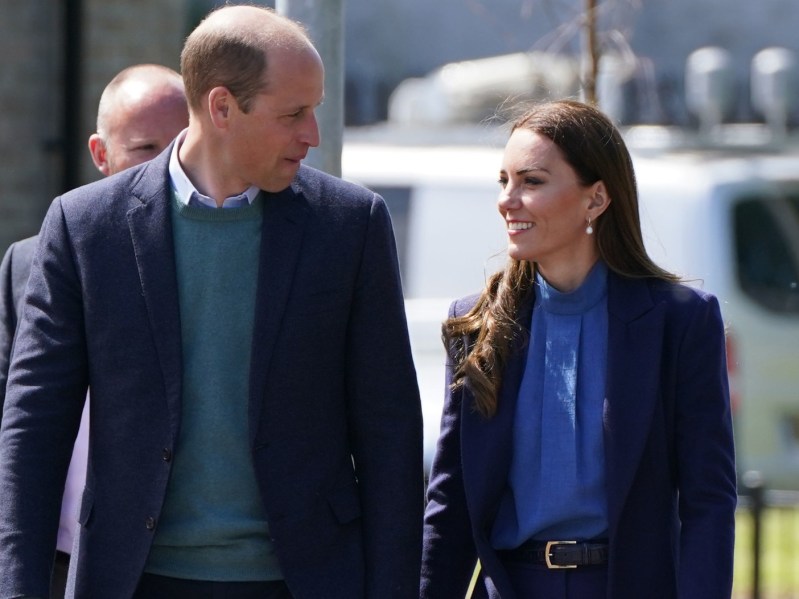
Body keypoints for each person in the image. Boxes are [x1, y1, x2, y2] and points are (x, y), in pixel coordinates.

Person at [0, 5, 424, 599]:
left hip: (303, 580)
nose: (313, 135)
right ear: (222, 107)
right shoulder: (84, 227)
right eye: (293, 113)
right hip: (132, 580)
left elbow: (390, 433)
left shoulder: (350, 225)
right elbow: (34, 425)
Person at [420, 99, 736, 598]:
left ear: (597, 199)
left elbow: (708, 501)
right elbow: (450, 502)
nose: (508, 199)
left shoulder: (680, 321)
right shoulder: (476, 324)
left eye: (532, 181)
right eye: (503, 180)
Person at [0, 63, 189, 598]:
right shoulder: (27, 263)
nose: (165, 165)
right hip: (62, 557)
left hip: (178, 558)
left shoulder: (214, 256)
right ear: (101, 155)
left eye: (178, 144)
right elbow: (16, 420)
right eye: (144, 148)